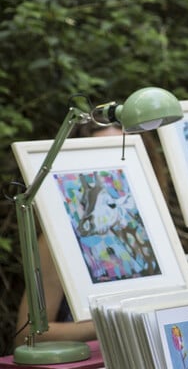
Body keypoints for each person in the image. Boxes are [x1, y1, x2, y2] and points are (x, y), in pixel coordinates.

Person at [13, 123, 122, 347]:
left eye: (122, 153)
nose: (112, 171)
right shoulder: (61, 237)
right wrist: (118, 320)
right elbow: (27, 336)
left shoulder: (154, 233)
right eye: (100, 157)